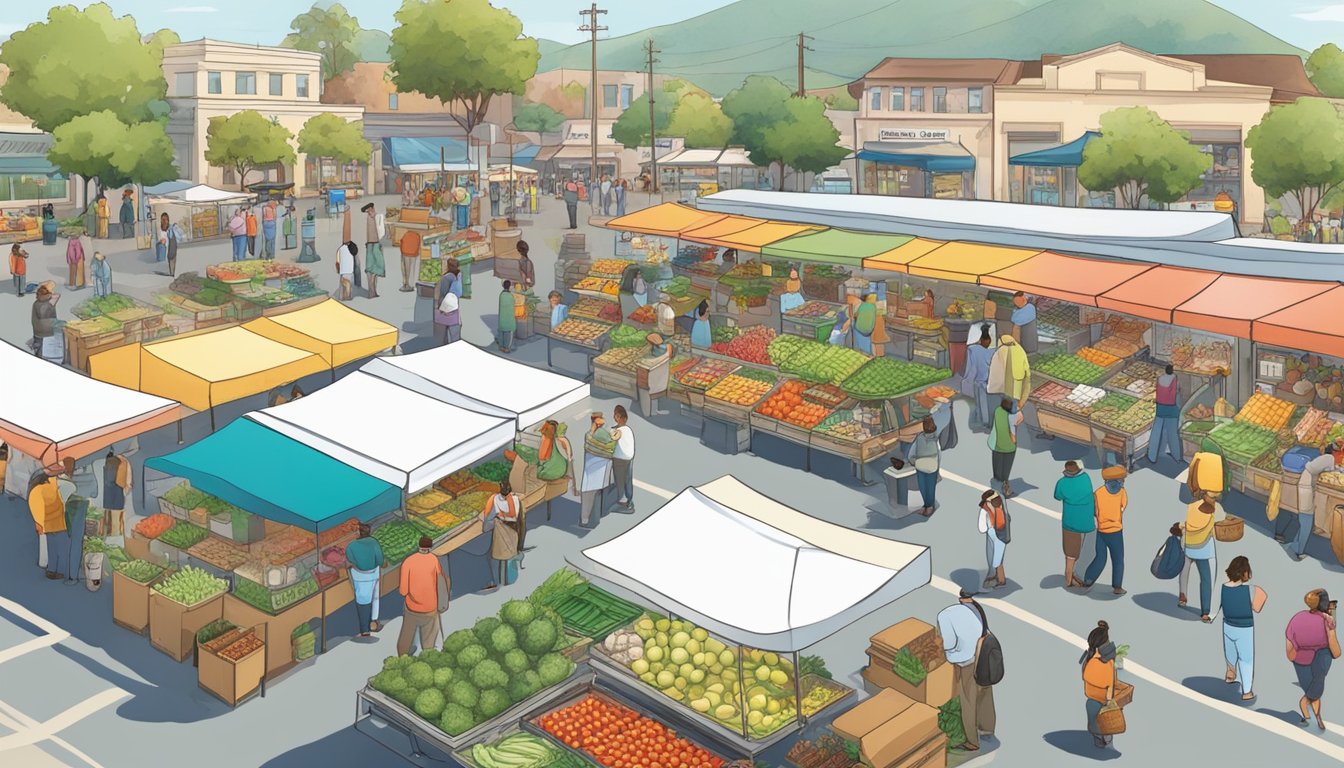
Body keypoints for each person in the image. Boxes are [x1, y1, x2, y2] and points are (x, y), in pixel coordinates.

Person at [937, 590, 996, 752]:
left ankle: (972, 741)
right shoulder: (976, 609)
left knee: (968, 700)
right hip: (984, 656)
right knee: (984, 692)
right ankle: (987, 727)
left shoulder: (945, 616)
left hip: (968, 661)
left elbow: (948, 644)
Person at [1287, 588, 1340, 731]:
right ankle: (1307, 707)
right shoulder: (1327, 621)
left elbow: (1289, 645)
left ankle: (1312, 716)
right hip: (1319, 659)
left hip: (1300, 660)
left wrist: (1295, 656)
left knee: (1313, 690)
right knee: (1315, 690)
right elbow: (1336, 652)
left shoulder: (1297, 618)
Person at [1281, 444, 1337, 560]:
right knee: (1306, 522)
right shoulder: (1329, 458)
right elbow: (1329, 472)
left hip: (1305, 485)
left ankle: (1295, 545)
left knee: (1305, 521)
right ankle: (1299, 551)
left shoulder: (1322, 458)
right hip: (1306, 488)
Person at [1222, 556, 1266, 701]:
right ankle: (1247, 691)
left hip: (1227, 624)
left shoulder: (1223, 587)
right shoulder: (1252, 589)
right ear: (1245, 572)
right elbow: (1257, 607)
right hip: (1244, 628)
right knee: (1246, 659)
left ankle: (1230, 672)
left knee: (1230, 650)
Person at [397, 536, 448, 655]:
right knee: (429, 636)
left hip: (412, 607)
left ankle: (402, 656)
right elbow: (439, 580)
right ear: (429, 547)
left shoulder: (408, 561)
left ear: (418, 546)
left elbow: (403, 591)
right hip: (431, 607)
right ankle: (427, 655)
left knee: (406, 635)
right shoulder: (434, 560)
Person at [1082, 466, 1128, 594]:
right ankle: (1117, 587)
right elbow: (1123, 506)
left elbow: (1093, 511)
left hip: (1101, 531)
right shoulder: (1122, 492)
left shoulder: (1098, 493)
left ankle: (1088, 579)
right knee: (1118, 559)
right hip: (1116, 531)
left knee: (1100, 557)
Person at [1054, 460, 1096, 588]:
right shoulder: (1086, 478)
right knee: (1088, 552)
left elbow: (1057, 496)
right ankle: (1079, 575)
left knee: (1070, 555)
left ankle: (1068, 580)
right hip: (1088, 523)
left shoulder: (1062, 483)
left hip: (1070, 523)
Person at [1179, 495, 1219, 623]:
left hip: (1189, 545)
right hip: (1204, 549)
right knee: (1207, 580)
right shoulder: (1215, 508)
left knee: (1184, 571)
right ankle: (1205, 612)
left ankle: (1182, 596)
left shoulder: (1191, 506)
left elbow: (1187, 523)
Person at [1081, 621, 1118, 748]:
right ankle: (1105, 741)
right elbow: (1110, 685)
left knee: (1094, 721)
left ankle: (1101, 741)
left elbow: (1085, 676)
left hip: (1095, 699)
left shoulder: (1096, 661)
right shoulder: (1107, 662)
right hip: (1101, 700)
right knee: (1101, 723)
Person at [346, 523, 386, 637]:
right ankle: (374, 622)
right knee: (375, 598)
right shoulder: (374, 542)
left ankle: (365, 630)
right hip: (374, 574)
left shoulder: (351, 546)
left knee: (363, 602)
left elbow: (350, 561)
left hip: (360, 577)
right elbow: (380, 560)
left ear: (358, 533)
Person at [579, 412, 617, 528]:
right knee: (596, 493)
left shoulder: (590, 434)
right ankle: (592, 517)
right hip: (601, 467)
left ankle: (585, 520)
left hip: (592, 468)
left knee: (589, 493)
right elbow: (611, 445)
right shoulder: (602, 433)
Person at [29, 468, 68, 580]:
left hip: (48, 523)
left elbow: (37, 508)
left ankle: (51, 570)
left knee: (52, 548)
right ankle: (60, 571)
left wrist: (39, 524)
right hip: (59, 523)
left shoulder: (37, 489)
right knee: (62, 548)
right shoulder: (52, 485)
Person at [988, 335, 1030, 418]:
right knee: (1011, 417)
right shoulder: (1020, 351)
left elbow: (994, 375)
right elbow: (1027, 378)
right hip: (1015, 393)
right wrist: (1022, 401)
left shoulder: (999, 352)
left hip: (998, 393)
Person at [1148, 364, 1183, 464]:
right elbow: (1177, 392)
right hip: (1172, 408)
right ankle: (1176, 456)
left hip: (1160, 407)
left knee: (1156, 431)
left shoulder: (1160, 378)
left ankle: (1152, 456)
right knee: (1172, 433)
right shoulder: (1175, 379)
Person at [962, 326, 995, 429]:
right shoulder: (993, 351)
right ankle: (989, 421)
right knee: (990, 402)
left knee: (980, 401)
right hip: (991, 381)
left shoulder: (972, 350)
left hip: (979, 381)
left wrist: (966, 378)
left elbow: (968, 368)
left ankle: (983, 420)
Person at [910, 416, 941, 517]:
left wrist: (912, 461)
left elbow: (912, 452)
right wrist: (938, 468)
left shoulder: (920, 438)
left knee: (923, 487)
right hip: (931, 466)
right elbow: (939, 454)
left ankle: (928, 505)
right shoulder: (934, 439)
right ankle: (928, 505)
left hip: (920, 466)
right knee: (929, 487)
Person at [978, 489, 1009, 588]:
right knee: (998, 557)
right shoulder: (1002, 506)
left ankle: (1000, 580)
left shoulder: (985, 509)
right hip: (1002, 534)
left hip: (992, 533)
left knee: (994, 558)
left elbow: (982, 528)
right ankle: (999, 578)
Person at [989, 398, 1017, 497]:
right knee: (1006, 469)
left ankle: (996, 483)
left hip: (997, 445)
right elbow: (1012, 435)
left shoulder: (997, 411)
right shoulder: (1011, 417)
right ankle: (1005, 487)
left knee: (997, 467)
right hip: (1009, 448)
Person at [610, 405, 636, 513]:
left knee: (619, 480)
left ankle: (621, 502)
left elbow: (611, 443)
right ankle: (629, 500)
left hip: (619, 459)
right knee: (628, 480)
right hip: (629, 459)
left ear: (617, 417)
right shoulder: (628, 429)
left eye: (616, 415)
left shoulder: (615, 431)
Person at [101, 449, 131, 537]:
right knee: (117, 520)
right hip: (118, 494)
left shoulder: (111, 461)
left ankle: (107, 535)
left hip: (108, 496)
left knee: (108, 518)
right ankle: (116, 537)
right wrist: (126, 490)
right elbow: (128, 483)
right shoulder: (123, 461)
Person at [360, 203, 385, 298]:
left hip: (369, 245)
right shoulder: (376, 217)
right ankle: (372, 290)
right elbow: (381, 233)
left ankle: (372, 291)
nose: (371, 211)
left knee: (370, 268)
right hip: (374, 244)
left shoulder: (369, 217)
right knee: (377, 267)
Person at [31, 284, 59, 357]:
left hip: (39, 332)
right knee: (51, 350)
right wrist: (50, 293)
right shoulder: (52, 301)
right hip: (52, 330)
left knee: (39, 349)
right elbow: (58, 294)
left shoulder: (36, 304)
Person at [497, 279, 518, 352]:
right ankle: (507, 348)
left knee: (502, 332)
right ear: (510, 286)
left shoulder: (501, 295)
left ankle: (501, 346)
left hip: (502, 318)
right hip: (509, 318)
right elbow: (513, 306)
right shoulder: (510, 296)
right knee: (509, 333)